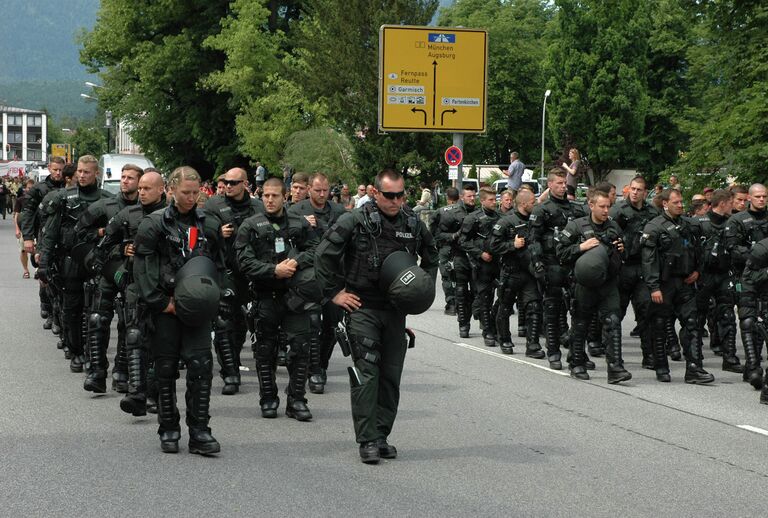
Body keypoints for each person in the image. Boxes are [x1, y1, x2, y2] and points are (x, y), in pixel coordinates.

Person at [315, 168, 438, 464]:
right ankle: (367, 439)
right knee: (367, 373)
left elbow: (432, 257)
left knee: (390, 375)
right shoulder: (355, 220)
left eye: (400, 195)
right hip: (363, 308)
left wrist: (421, 290)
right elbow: (323, 255)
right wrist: (334, 294)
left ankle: (382, 435)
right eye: (389, 195)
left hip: (395, 311)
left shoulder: (412, 222)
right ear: (375, 192)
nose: (395, 201)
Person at [133, 166, 223, 455]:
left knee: (201, 366)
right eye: (186, 192)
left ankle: (199, 431)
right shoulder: (154, 224)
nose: (191, 198)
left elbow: (219, 264)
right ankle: (169, 427)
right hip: (165, 307)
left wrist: (215, 297)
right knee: (166, 369)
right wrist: (161, 302)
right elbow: (142, 269)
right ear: (171, 191)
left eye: (196, 193)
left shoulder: (208, 223)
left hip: (197, 306)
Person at [236, 177, 319, 421]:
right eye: (266, 196)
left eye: (275, 196)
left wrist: (296, 262)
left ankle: (297, 399)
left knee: (300, 349)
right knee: (265, 351)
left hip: (295, 297)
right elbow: (243, 261)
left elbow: (316, 250)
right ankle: (268, 398)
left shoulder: (300, 223)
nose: (270, 200)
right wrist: (273, 271)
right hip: (265, 296)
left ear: (285, 197)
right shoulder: (250, 226)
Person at [92, 171, 167, 416]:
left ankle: (157, 393)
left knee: (162, 342)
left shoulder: (172, 217)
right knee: (135, 335)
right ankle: (137, 392)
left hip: (166, 286)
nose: (142, 192)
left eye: (147, 188)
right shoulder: (126, 215)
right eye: (141, 188)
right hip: (135, 284)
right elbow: (101, 252)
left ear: (161, 189)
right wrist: (121, 253)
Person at [38, 156, 113, 374]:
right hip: (69, 261)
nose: (81, 175)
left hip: (98, 260)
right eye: (79, 171)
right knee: (72, 310)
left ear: (96, 173)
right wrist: (44, 262)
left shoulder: (107, 200)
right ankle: (77, 351)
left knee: (99, 312)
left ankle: (95, 354)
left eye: (86, 172)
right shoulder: (63, 198)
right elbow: (51, 232)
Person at [77, 164, 142, 394]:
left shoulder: (148, 210)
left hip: (135, 273)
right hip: (109, 267)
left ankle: (121, 371)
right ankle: (97, 371)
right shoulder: (105, 205)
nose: (125, 181)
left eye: (130, 178)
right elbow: (80, 232)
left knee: (130, 323)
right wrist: (101, 234)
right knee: (98, 319)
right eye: (123, 177)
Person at [557, 189, 631, 383]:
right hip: (584, 285)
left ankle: (615, 368)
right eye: (602, 206)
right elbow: (560, 253)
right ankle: (577, 363)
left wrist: (622, 250)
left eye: (608, 206)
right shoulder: (576, 226)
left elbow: (624, 255)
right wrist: (581, 247)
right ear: (591, 205)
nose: (606, 210)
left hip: (608, 283)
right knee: (581, 323)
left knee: (613, 321)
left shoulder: (614, 226)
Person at [641, 188, 713, 384]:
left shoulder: (689, 225)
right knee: (660, 326)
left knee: (692, 324)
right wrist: (654, 287)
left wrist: (697, 270)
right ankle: (661, 367)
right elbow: (648, 261)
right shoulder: (654, 227)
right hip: (664, 285)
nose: (681, 205)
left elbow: (698, 249)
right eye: (676, 202)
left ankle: (694, 369)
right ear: (665, 204)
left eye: (682, 202)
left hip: (685, 282)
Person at [205, 167, 264, 395]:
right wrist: (218, 233)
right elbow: (202, 233)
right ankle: (230, 373)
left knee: (242, 323)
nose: (228, 186)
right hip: (224, 268)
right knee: (223, 320)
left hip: (250, 271)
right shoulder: (213, 205)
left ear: (245, 184)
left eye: (233, 182)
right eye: (226, 182)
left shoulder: (258, 207)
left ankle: (234, 357)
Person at [288, 172, 346, 394]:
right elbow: (287, 239)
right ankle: (313, 371)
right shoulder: (296, 211)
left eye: (325, 190)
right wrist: (301, 224)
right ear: (309, 189)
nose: (322, 194)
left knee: (331, 325)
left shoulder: (339, 212)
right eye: (317, 190)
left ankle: (322, 365)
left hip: (334, 278)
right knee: (312, 323)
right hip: (308, 277)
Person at [529, 168, 587, 370]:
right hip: (551, 264)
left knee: (579, 310)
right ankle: (553, 351)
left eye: (565, 183)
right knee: (552, 311)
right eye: (560, 183)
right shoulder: (542, 209)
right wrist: (538, 263)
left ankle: (577, 351)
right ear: (550, 185)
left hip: (572, 265)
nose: (563, 186)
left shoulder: (576, 209)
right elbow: (533, 239)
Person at [609, 176, 659, 369]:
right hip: (623, 267)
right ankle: (614, 355)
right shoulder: (618, 211)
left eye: (639, 189)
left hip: (643, 267)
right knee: (616, 312)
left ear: (645, 192)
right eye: (633, 189)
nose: (636, 192)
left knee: (646, 312)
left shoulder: (652, 212)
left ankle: (649, 355)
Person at [489, 189, 545, 357]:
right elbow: (493, 246)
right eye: (532, 203)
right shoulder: (506, 222)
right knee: (505, 307)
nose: (534, 206)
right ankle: (504, 339)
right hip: (511, 272)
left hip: (529, 272)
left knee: (534, 306)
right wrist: (512, 245)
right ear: (523, 204)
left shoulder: (535, 221)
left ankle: (533, 345)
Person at [694, 189, 743, 373]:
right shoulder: (699, 223)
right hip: (704, 274)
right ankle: (695, 356)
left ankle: (729, 357)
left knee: (728, 316)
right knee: (697, 317)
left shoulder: (733, 223)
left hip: (724, 274)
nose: (733, 206)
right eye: (731, 202)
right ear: (723, 203)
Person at [725, 183, 768, 389]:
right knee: (748, 320)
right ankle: (752, 366)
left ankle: (756, 363)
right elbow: (733, 249)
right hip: (746, 275)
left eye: (764, 196)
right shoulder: (737, 220)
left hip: (767, 277)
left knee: (764, 322)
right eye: (758, 196)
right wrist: (757, 254)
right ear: (749, 198)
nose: (761, 199)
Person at [21, 157, 65, 327]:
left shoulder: (69, 187)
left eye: (61, 170)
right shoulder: (39, 189)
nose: (58, 173)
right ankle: (46, 304)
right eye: (55, 169)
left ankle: (58, 311)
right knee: (44, 272)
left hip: (64, 236)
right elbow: (28, 213)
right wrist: (27, 238)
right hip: (43, 235)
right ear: (49, 168)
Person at [460, 187, 500, 347]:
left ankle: (494, 326)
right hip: (481, 264)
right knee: (485, 297)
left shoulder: (500, 217)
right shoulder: (472, 218)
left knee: (503, 296)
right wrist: (480, 253)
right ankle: (487, 331)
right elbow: (463, 241)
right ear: (482, 201)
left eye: (494, 199)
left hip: (499, 263)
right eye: (490, 200)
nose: (494, 202)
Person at [436, 186, 477, 337]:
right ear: (461, 197)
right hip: (458, 255)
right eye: (469, 196)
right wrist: (453, 236)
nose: (472, 199)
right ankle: (463, 323)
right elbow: (438, 234)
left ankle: (468, 316)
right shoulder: (450, 213)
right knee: (460, 292)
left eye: (474, 196)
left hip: (477, 257)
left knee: (476, 293)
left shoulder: (480, 213)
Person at [429, 187, 460, 315]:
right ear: (458, 198)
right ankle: (460, 303)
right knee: (460, 276)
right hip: (461, 248)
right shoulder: (464, 212)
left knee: (446, 276)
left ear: (447, 198)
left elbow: (432, 231)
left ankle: (451, 304)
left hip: (445, 247)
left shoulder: (439, 212)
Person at [13, 179, 35, 279]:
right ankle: (26, 270)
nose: (30, 190)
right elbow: (16, 215)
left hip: (35, 228)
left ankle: (37, 270)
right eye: (28, 188)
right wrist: (17, 229)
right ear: (25, 189)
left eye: (32, 188)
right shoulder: (20, 200)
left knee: (37, 250)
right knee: (23, 251)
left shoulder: (39, 199)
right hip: (23, 229)